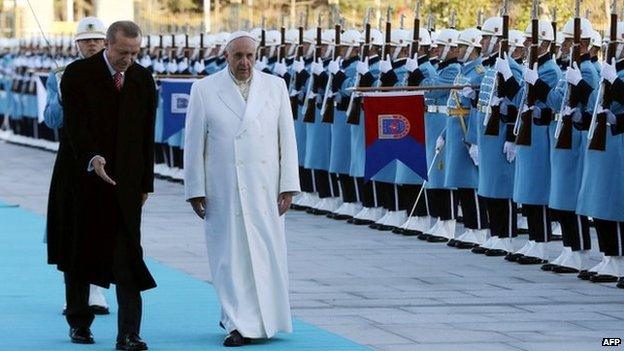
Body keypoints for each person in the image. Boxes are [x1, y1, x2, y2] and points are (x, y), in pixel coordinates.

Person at [184, 31, 300, 347]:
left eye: (250, 56)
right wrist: (195, 188)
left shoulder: (275, 87)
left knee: (265, 254)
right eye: (238, 56)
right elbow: (194, 143)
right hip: (223, 187)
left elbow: (286, 139)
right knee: (228, 256)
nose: (244, 62)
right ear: (227, 57)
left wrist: (289, 184)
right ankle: (236, 322)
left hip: (265, 187)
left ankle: (266, 320)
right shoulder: (204, 89)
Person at [49, 21, 157, 350]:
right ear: (108, 45)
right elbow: (76, 128)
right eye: (123, 52)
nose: (128, 59)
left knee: (128, 256)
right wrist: (93, 157)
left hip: (125, 183)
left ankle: (129, 333)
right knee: (80, 250)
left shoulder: (142, 78)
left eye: (135, 53)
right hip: (82, 178)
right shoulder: (78, 75)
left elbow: (145, 136)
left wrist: (145, 183)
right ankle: (79, 322)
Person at [44, 15, 110, 316]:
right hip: (72, 157)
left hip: (108, 157)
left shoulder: (116, 72)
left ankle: (97, 288)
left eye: (96, 39)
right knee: (71, 223)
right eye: (85, 40)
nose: (91, 44)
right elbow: (51, 120)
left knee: (103, 220)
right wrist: (59, 97)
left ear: (106, 42)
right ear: (77, 44)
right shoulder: (60, 74)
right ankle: (76, 291)